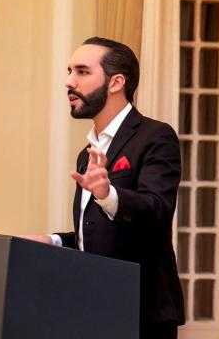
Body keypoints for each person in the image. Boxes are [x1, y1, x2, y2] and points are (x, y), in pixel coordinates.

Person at [21, 37, 185, 338]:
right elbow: (97, 235)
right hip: (94, 309)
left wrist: (107, 194)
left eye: (82, 72)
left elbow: (157, 212)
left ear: (116, 82)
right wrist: (53, 241)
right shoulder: (87, 153)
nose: (69, 82)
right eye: (69, 71)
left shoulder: (155, 136)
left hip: (142, 314)